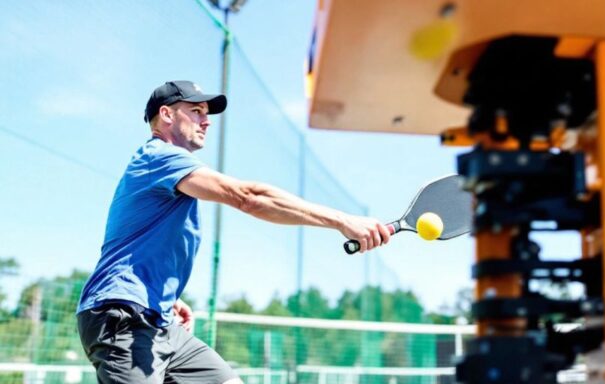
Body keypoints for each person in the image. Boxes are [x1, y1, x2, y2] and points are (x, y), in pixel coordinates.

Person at [76, 80, 391, 384]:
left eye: (207, 113)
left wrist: (166, 294)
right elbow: (249, 198)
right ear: (167, 114)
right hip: (123, 319)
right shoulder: (159, 156)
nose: (207, 121)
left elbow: (137, 238)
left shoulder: (166, 169)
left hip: (159, 319)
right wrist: (341, 220)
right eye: (197, 111)